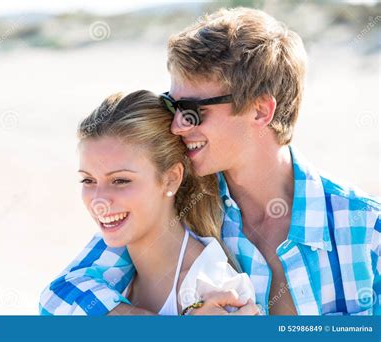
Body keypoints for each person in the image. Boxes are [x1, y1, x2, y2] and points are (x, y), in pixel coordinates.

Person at [40, 7, 380, 315]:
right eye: (173, 107)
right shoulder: (180, 206)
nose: (176, 125)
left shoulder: (366, 229)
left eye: (191, 112)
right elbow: (60, 297)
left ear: (261, 110)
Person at [41, 90, 256, 315]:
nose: (98, 202)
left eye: (120, 180)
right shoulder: (113, 257)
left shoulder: (217, 292)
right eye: (88, 180)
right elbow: (54, 298)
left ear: (171, 179)